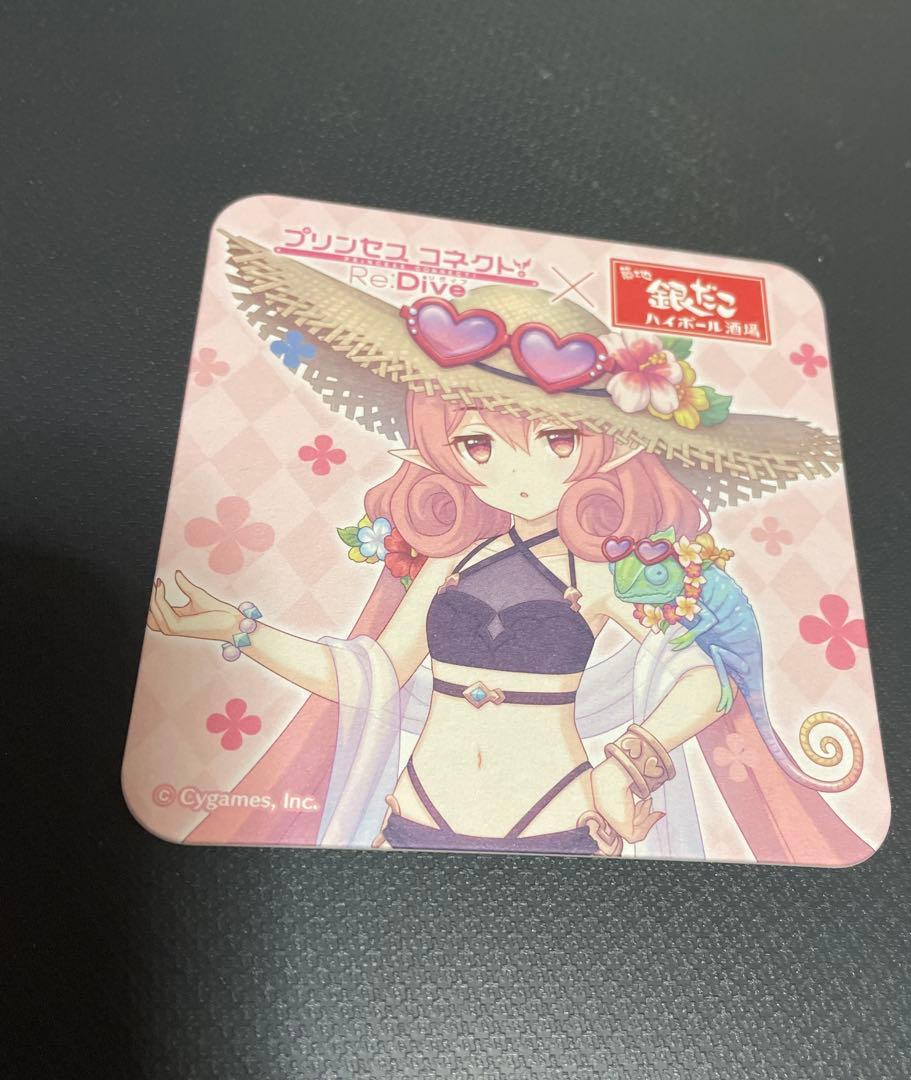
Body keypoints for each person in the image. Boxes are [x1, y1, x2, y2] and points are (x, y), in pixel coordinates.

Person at [146, 234, 871, 863]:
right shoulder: (451, 558)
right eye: (477, 445)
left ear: (607, 445)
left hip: (556, 818)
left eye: (555, 439)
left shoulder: (601, 567)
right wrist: (233, 626)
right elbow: (371, 672)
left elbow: (705, 683)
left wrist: (627, 762)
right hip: (412, 815)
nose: (516, 472)